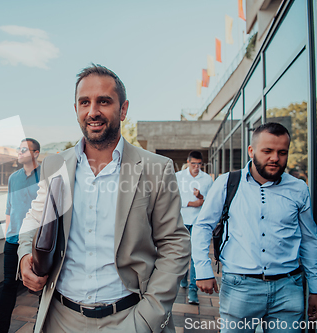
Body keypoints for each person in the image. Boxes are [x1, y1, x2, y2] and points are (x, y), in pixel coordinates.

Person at [18, 64, 191, 333]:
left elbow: (175, 244)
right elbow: (34, 220)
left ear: (123, 109)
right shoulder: (55, 165)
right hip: (60, 318)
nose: (93, 111)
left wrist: (148, 316)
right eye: (84, 102)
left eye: (104, 101)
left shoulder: (157, 168)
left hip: (129, 317)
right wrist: (23, 257)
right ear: (75, 109)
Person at [192, 122, 317, 333]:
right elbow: (203, 226)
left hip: (288, 289)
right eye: (267, 151)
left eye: (282, 152)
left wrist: (315, 288)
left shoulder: (299, 189)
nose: (275, 158)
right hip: (239, 288)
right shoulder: (227, 183)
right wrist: (203, 269)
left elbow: (310, 240)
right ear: (251, 151)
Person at [0, 138, 41, 333]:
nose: (19, 152)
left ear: (36, 153)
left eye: (24, 149)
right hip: (13, 240)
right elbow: (9, 207)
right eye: (19, 149)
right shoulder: (14, 177)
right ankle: (1, 330)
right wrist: (8, 232)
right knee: (8, 286)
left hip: (36, 242)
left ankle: (41, 327)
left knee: (40, 286)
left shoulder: (46, 176)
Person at [175, 151, 213, 305]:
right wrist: (192, 203)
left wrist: (201, 198)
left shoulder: (206, 180)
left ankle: (193, 291)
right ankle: (183, 277)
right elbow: (173, 197)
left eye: (199, 164)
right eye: (193, 164)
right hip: (182, 221)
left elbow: (210, 201)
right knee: (183, 253)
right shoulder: (178, 177)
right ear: (188, 162)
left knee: (196, 255)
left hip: (198, 223)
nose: (196, 167)